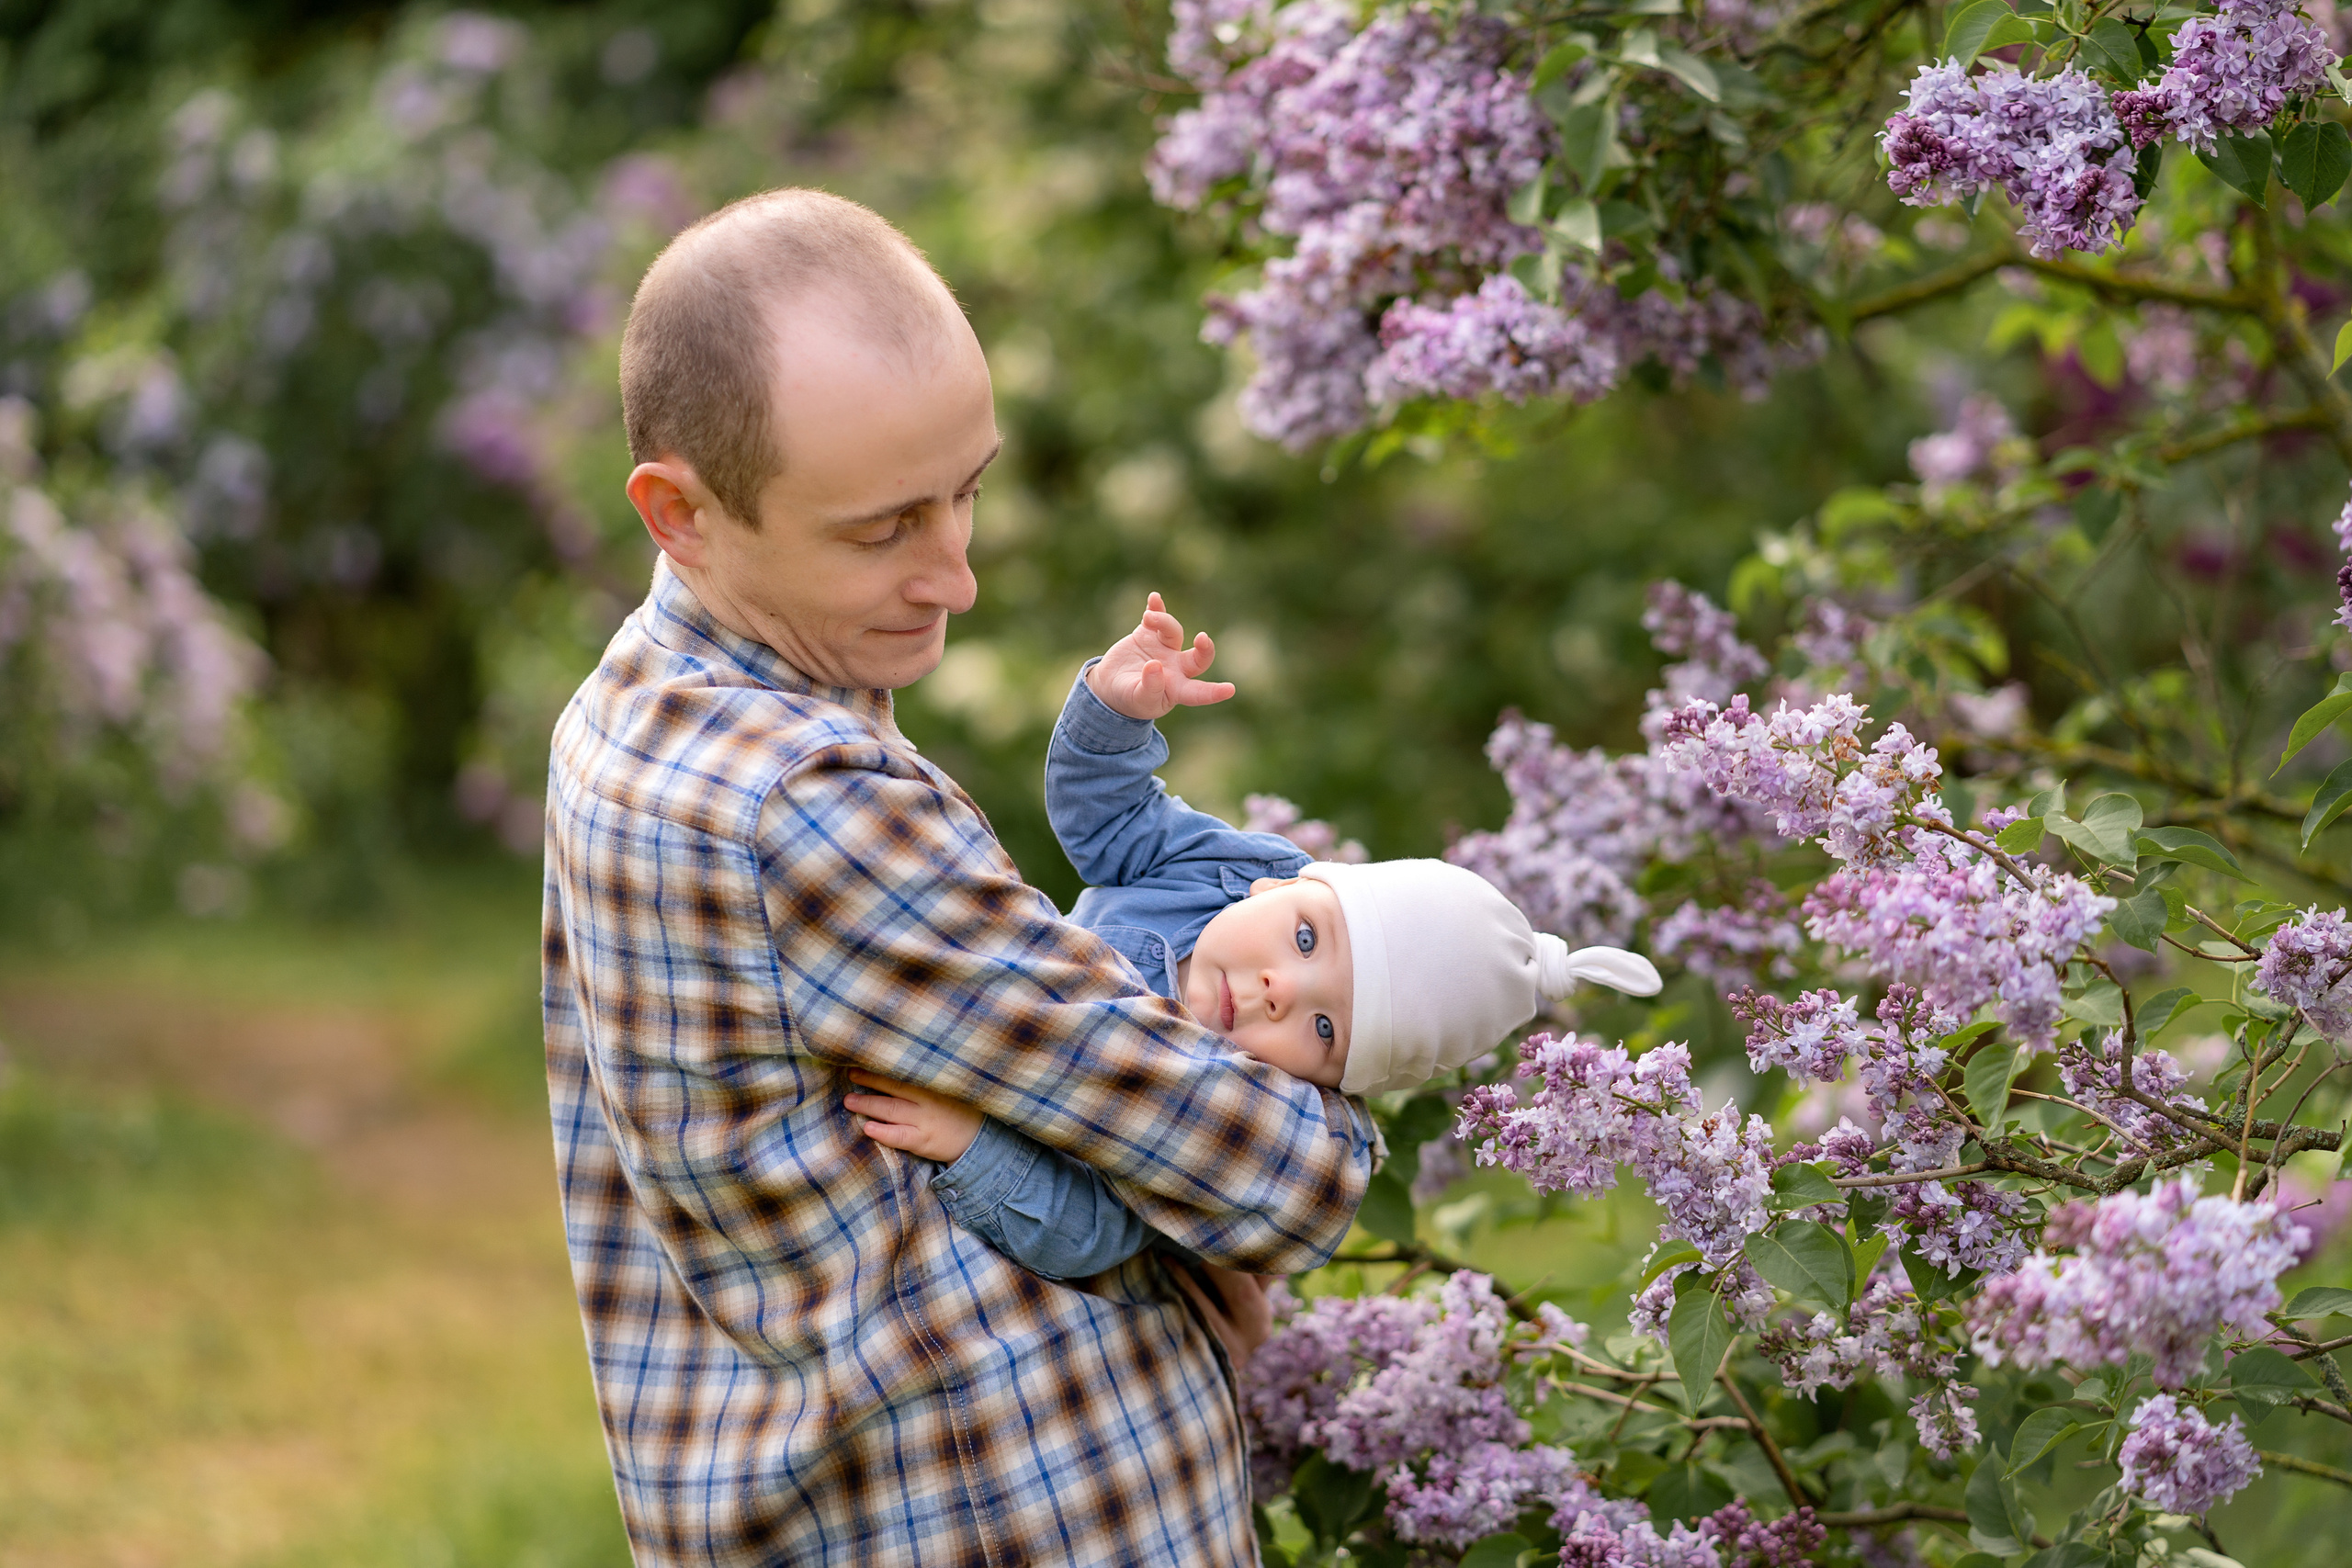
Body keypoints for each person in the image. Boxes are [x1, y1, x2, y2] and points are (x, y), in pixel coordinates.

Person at [542, 187, 1374, 1568]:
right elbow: (1282, 1177)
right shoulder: (800, 802)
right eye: (883, 529)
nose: (957, 576)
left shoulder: (627, 707)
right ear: (680, 510)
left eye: (965, 492)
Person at [845, 595, 1660, 1332]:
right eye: (1307, 939)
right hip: (966, 996)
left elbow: (1090, 1229)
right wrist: (1115, 713)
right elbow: (1108, 819)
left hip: (970, 1151)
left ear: (1329, 1088)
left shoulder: (1240, 1115)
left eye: (1325, 1028)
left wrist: (974, 1147)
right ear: (1279, 881)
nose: (1281, 991)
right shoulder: (1218, 874)